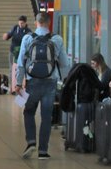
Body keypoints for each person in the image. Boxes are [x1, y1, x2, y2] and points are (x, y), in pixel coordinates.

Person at [15, 12, 72, 159]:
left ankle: (31, 142)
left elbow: (21, 63)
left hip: (32, 81)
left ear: (36, 22)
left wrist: (18, 83)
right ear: (49, 23)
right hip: (50, 82)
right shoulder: (57, 39)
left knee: (28, 112)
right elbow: (65, 63)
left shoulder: (27, 38)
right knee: (47, 116)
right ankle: (43, 152)